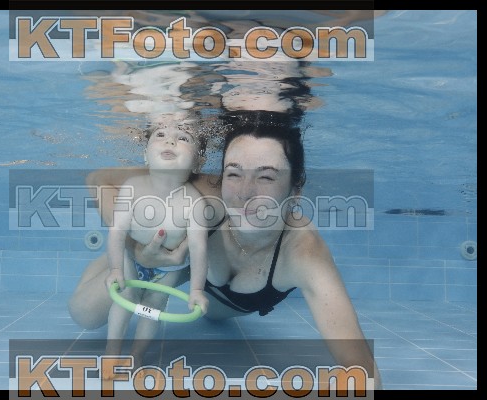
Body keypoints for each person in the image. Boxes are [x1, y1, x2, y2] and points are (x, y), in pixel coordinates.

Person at [69, 110, 382, 389]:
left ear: (295, 191)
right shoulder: (208, 193)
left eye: (266, 176)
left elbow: (359, 366)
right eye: (233, 172)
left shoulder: (303, 252)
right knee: (86, 315)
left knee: (212, 315)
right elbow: (99, 180)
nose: (244, 193)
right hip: (170, 263)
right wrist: (138, 248)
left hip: (219, 300)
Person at [103, 115, 210, 362]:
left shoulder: (195, 203)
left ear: (198, 161)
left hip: (167, 268)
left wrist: (196, 290)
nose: (170, 141)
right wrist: (116, 269)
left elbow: (199, 249)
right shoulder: (132, 187)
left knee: (153, 307)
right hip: (131, 259)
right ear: (145, 154)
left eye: (183, 138)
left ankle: (136, 355)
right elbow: (117, 232)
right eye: (160, 134)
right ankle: (111, 353)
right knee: (125, 298)